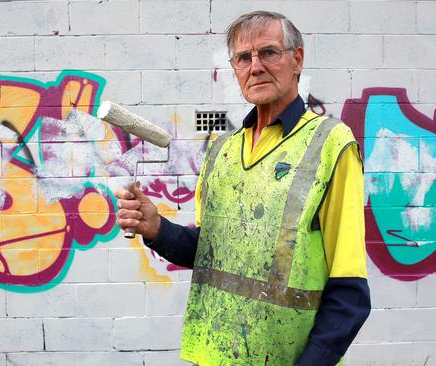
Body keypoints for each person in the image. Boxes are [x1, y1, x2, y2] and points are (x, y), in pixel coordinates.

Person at [115, 10, 370, 366]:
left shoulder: (330, 144)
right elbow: (210, 252)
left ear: (297, 59)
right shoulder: (222, 150)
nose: (256, 67)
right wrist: (156, 227)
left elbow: (350, 292)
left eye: (268, 52)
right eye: (243, 58)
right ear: (234, 69)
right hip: (215, 355)